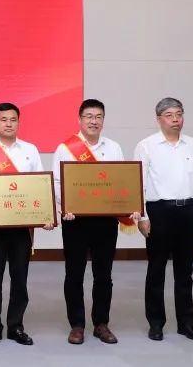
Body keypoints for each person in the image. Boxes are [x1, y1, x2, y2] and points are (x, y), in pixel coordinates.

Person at [52, 99, 138, 345]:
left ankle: (101, 323)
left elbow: (122, 181)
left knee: (104, 274)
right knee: (74, 274)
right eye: (89, 116)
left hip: (105, 220)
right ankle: (77, 325)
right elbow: (57, 182)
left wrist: (129, 205)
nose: (93, 121)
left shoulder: (114, 148)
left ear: (103, 120)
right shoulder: (65, 148)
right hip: (75, 220)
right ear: (79, 119)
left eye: (98, 116)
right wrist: (66, 206)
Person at [0, 102, 52, 346]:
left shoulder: (30, 150)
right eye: (3, 119)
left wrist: (46, 215)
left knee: (20, 278)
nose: (8, 124)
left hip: (21, 227)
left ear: (19, 122)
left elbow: (40, 185)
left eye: (13, 119)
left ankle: (16, 326)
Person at [134, 97, 193, 341]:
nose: (175, 119)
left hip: (188, 211)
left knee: (185, 271)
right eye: (169, 115)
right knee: (156, 269)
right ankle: (156, 323)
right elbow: (138, 183)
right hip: (159, 212)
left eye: (179, 114)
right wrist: (142, 216)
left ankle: (186, 323)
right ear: (159, 119)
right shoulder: (146, 146)